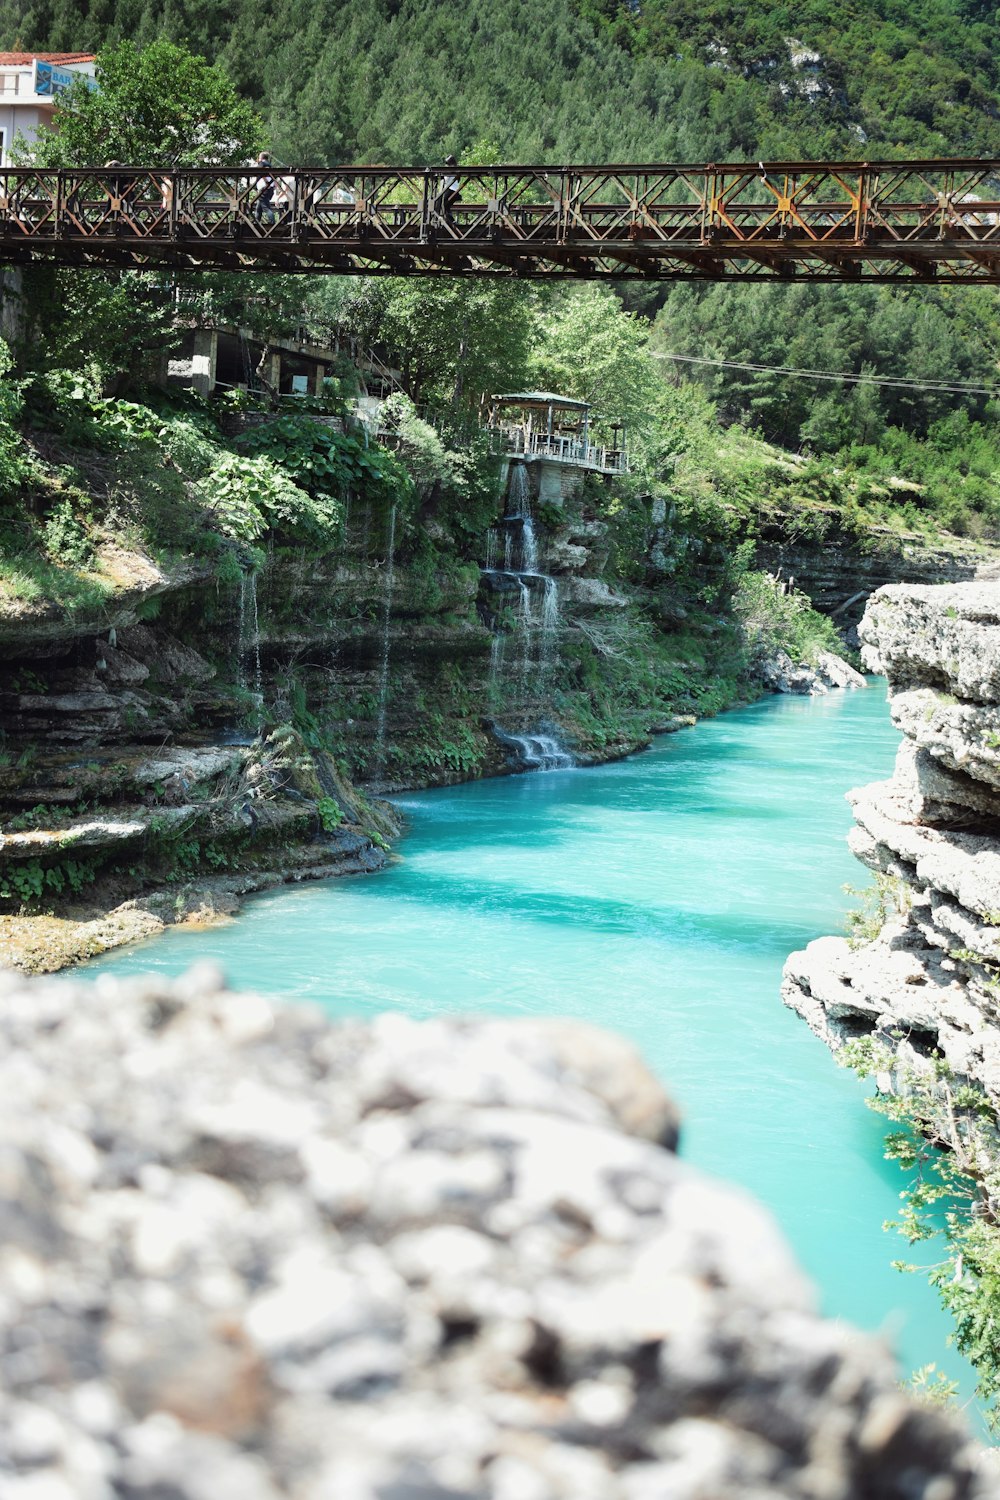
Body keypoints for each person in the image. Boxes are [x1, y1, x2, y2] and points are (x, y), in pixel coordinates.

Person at [253, 151, 277, 226]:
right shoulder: (270, 165)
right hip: (270, 189)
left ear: (261, 158)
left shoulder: (262, 164)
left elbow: (258, 172)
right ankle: (256, 221)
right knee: (259, 207)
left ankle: (272, 222)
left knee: (266, 208)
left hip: (264, 188)